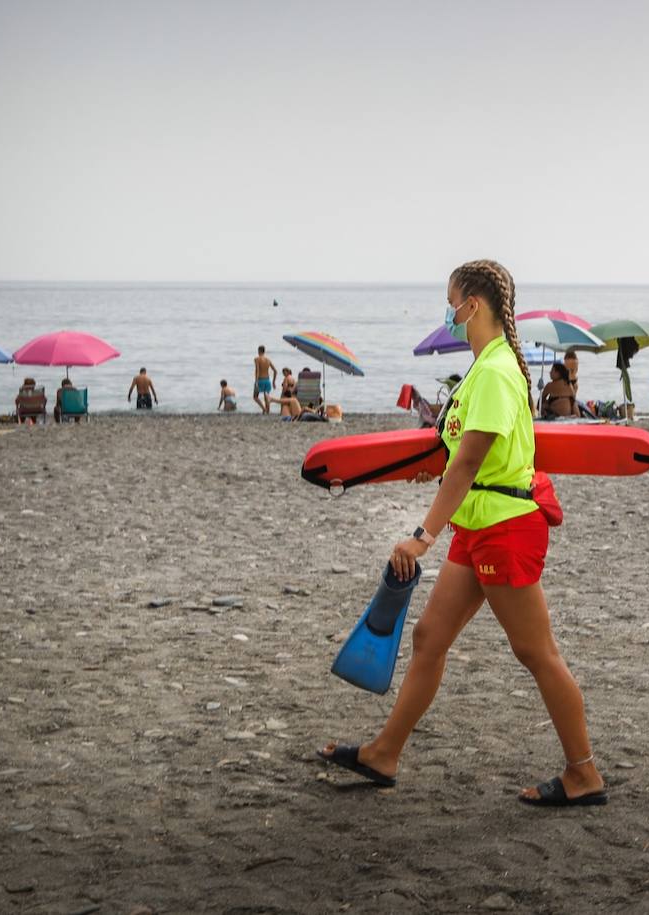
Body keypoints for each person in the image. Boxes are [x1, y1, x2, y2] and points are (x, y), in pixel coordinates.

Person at [317, 258, 606, 808]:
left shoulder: (496, 370)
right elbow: (464, 453)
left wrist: (422, 535)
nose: (448, 312)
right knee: (430, 636)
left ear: (473, 305)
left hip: (504, 528)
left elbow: (470, 461)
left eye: (451, 302)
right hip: (476, 526)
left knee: (536, 651)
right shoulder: (484, 367)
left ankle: (583, 773)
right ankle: (385, 752)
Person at [253, 345, 277, 414]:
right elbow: (275, 371)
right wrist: (273, 382)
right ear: (264, 351)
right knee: (266, 397)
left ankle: (264, 409)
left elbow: (257, 370)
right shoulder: (268, 360)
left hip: (260, 380)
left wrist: (256, 381)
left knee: (255, 397)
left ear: (259, 351)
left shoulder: (257, 359)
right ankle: (268, 411)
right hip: (267, 381)